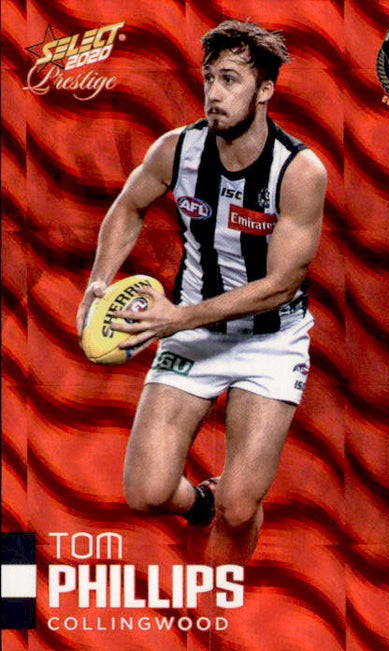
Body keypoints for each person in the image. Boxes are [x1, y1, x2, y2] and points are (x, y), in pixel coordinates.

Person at [76, 19, 327, 566]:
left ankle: (221, 599)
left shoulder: (298, 171)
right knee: (146, 493)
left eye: (230, 79)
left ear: (264, 90)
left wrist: (176, 319)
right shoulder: (177, 150)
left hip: (269, 341)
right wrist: (98, 281)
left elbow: (280, 285)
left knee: (240, 507)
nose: (214, 92)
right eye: (210, 77)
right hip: (192, 334)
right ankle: (202, 503)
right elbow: (129, 207)